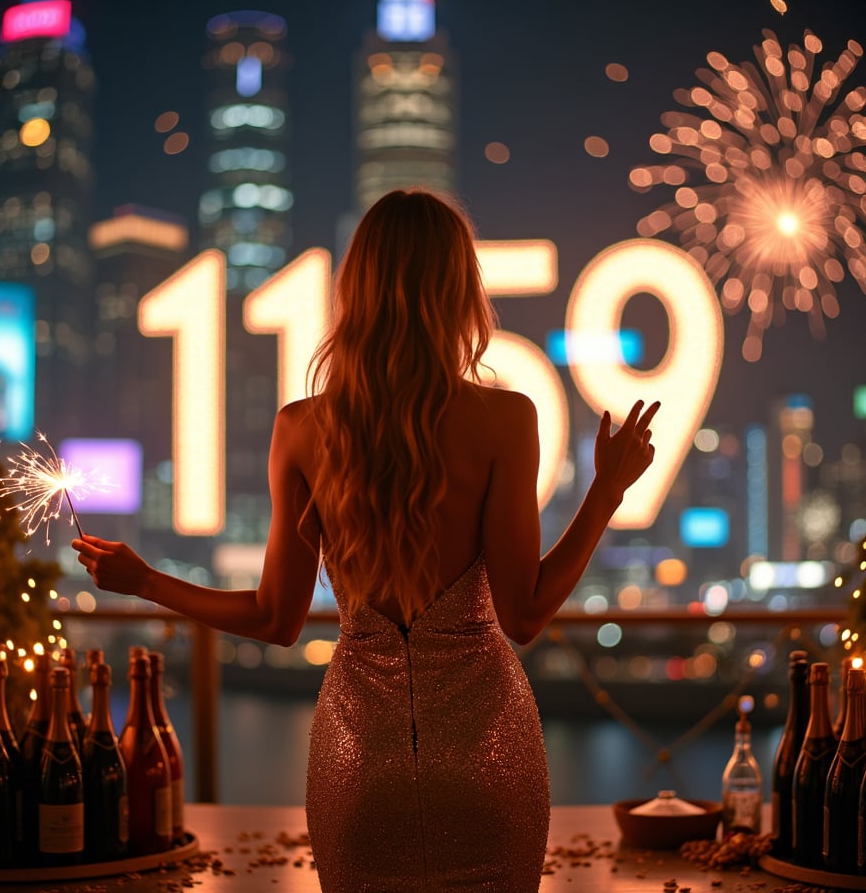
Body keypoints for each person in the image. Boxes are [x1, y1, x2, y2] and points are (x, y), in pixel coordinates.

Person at [73, 188, 658, 892]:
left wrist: (146, 582)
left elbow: (275, 621)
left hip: (358, 762)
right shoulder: (505, 419)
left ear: (356, 291)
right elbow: (526, 616)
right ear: (459, 292)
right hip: (488, 760)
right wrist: (606, 491)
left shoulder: (301, 429)